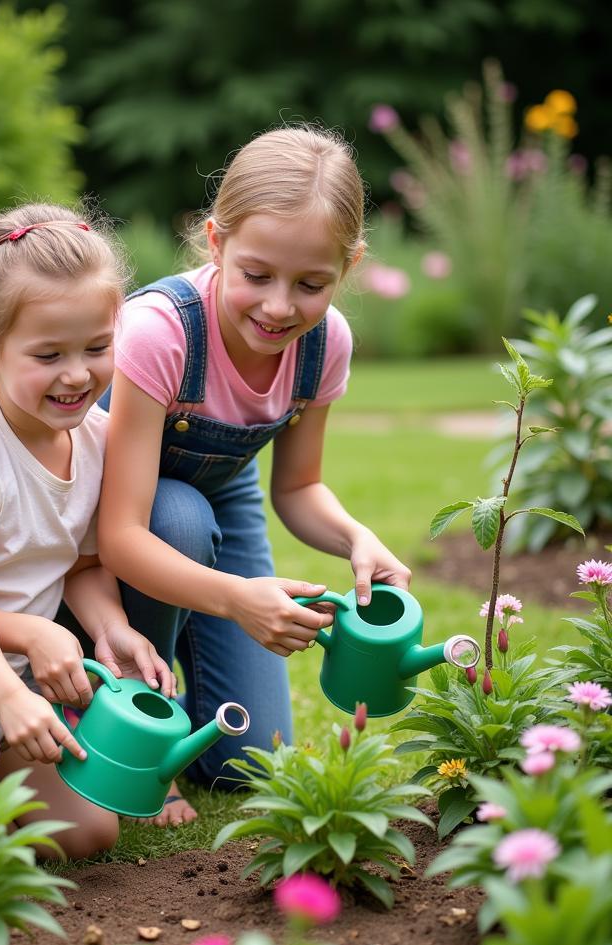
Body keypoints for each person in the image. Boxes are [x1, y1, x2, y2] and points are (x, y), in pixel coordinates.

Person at [98, 125, 412, 826]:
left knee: (253, 757)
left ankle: (192, 706)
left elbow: (297, 489)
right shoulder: (162, 331)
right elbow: (120, 534)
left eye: (311, 284)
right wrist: (239, 599)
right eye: (256, 275)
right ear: (215, 243)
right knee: (175, 517)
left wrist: (357, 539)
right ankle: (141, 725)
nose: (279, 307)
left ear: (350, 266)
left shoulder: (324, 344)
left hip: (222, 493)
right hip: (111, 514)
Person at [0, 203, 174, 858]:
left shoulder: (95, 436)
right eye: (49, 354)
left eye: (97, 348)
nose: (78, 374)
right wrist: (24, 652)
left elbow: (83, 565)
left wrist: (111, 630)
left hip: (20, 681)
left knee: (88, 836)